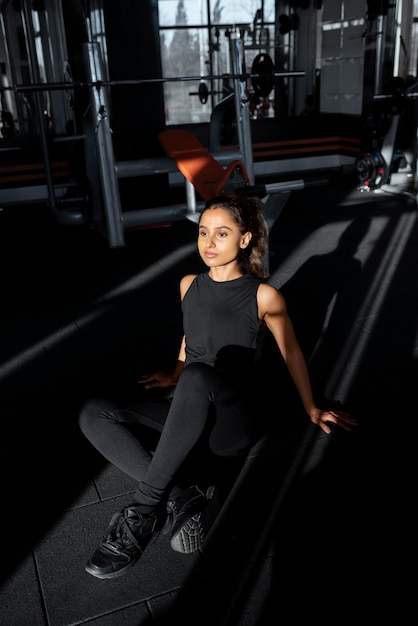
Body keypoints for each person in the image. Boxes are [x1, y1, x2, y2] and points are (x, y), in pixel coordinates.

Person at [79, 194, 357, 580]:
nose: (208, 243)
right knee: (93, 412)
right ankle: (182, 496)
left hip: (231, 422)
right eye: (203, 232)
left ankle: (143, 514)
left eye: (221, 233)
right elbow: (190, 336)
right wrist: (174, 373)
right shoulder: (188, 284)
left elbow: (292, 351)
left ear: (244, 239)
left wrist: (312, 406)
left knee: (197, 378)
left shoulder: (263, 295)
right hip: (188, 410)